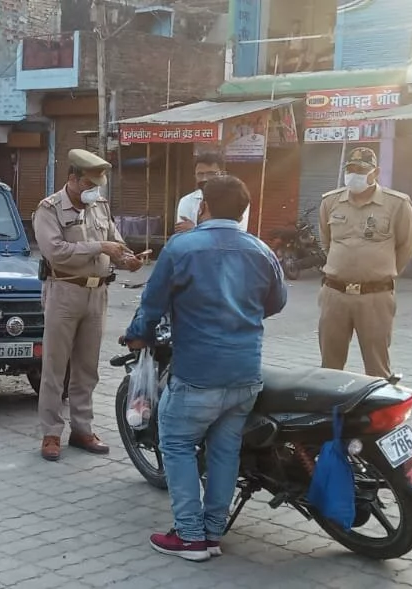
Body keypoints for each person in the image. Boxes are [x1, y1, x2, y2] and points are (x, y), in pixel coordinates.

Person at [125, 176, 287, 561]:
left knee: (177, 443)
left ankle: (189, 536)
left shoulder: (183, 246)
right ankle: (213, 533)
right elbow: (276, 302)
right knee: (225, 451)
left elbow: (152, 303)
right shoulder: (260, 250)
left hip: (198, 373)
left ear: (203, 208)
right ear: (243, 210)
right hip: (246, 373)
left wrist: (137, 335)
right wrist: (241, 312)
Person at [33, 149, 142, 462]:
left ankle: (82, 429)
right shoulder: (49, 208)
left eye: (99, 184)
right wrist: (100, 246)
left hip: (97, 295)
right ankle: (51, 432)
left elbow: (115, 242)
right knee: (55, 367)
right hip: (63, 291)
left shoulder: (99, 206)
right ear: (72, 179)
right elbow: (56, 251)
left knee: (86, 368)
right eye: (89, 183)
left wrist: (128, 259)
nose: (95, 190)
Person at [317, 147, 412, 378]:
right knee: (330, 365)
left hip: (375, 296)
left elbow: (406, 247)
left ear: (376, 172)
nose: (354, 175)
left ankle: (378, 412)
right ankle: (332, 412)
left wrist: (379, 273)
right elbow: (326, 242)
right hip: (334, 294)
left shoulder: (397, 204)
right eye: (350, 169)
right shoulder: (330, 201)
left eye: (361, 170)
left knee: (377, 367)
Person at [174, 153, 249, 234]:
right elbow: (182, 233)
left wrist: (194, 229)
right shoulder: (186, 201)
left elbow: (238, 233)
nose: (205, 178)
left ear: (223, 174)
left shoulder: (237, 199)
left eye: (211, 174)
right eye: (200, 174)